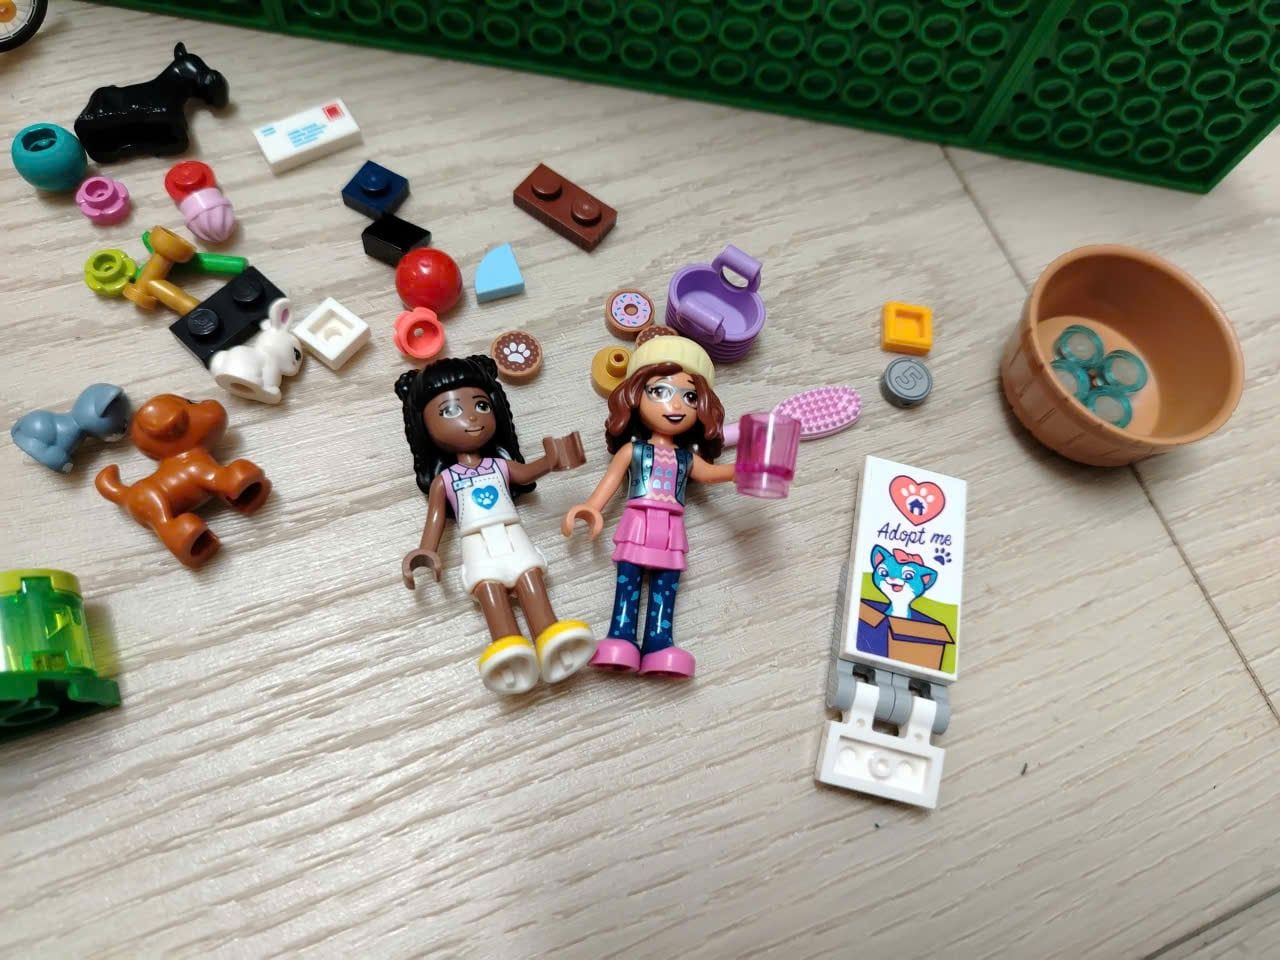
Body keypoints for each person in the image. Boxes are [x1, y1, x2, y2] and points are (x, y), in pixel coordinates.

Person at [396, 355, 594, 695]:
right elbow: (436, 517)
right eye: (449, 411)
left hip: (512, 532)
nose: (471, 417)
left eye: (481, 405)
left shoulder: (499, 466)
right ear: (425, 427)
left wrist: (551, 460)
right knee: (488, 586)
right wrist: (426, 550)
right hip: (475, 541)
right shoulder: (446, 480)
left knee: (528, 575)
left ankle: (550, 635)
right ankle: (507, 646)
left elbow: (527, 473)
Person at [563, 337, 734, 679]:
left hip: (671, 528)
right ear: (634, 396)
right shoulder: (634, 451)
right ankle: (620, 636)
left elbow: (711, 474)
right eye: (659, 392)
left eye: (690, 397)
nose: (676, 404)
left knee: (666, 584)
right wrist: (592, 508)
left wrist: (741, 469)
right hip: (637, 522)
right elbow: (610, 483)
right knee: (627, 581)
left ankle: (659, 642)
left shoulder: (686, 458)